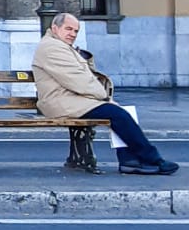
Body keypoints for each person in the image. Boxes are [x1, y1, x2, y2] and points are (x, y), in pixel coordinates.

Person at [32, 13, 179, 176]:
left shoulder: (61, 46)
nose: (72, 34)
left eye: (75, 31)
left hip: (73, 100)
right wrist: (105, 98)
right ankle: (152, 158)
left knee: (123, 113)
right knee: (117, 114)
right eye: (68, 29)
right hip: (61, 103)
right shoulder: (52, 48)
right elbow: (78, 81)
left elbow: (86, 75)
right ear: (55, 28)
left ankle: (129, 161)